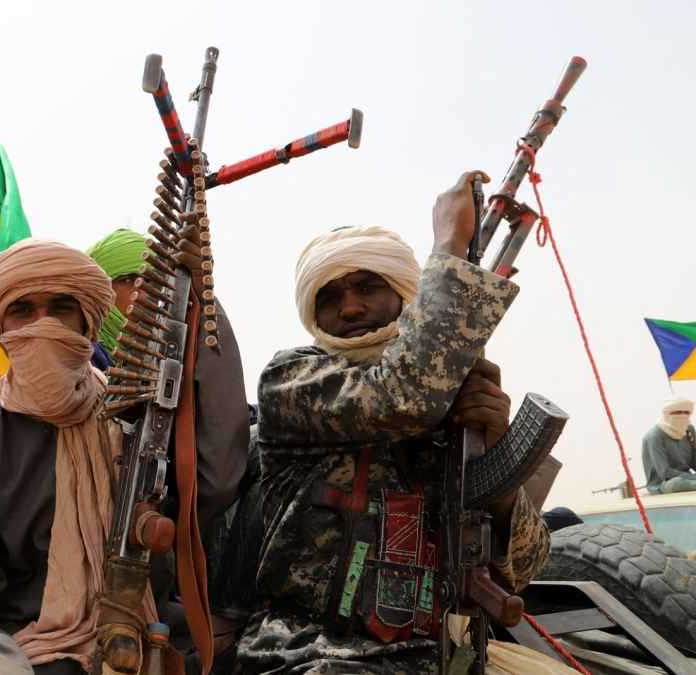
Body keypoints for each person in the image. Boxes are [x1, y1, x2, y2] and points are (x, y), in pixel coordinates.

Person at [216, 172, 552, 674]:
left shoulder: (439, 393)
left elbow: (523, 568)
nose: (350, 307)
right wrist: (450, 245)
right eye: (330, 296)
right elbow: (402, 396)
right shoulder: (293, 380)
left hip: (439, 657)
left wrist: (493, 451)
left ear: (404, 294)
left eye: (369, 287)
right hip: (311, 651)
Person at [0, 239, 249, 674]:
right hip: (28, 656)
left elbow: (213, 482)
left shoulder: (136, 419)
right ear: (2, 330)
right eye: (23, 310)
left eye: (60, 308)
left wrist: (202, 308)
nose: (44, 325)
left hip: (154, 642)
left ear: (87, 324)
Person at [86, 228, 148, 370]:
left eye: (149, 281)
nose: (144, 295)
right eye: (128, 280)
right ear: (99, 290)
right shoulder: (77, 357)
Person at [642, 398, 696, 494]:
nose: (683, 416)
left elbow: (694, 461)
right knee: (677, 483)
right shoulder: (654, 436)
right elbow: (665, 472)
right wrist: (692, 477)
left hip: (688, 478)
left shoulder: (689, 430)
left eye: (686, 412)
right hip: (664, 483)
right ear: (667, 413)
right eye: (678, 412)